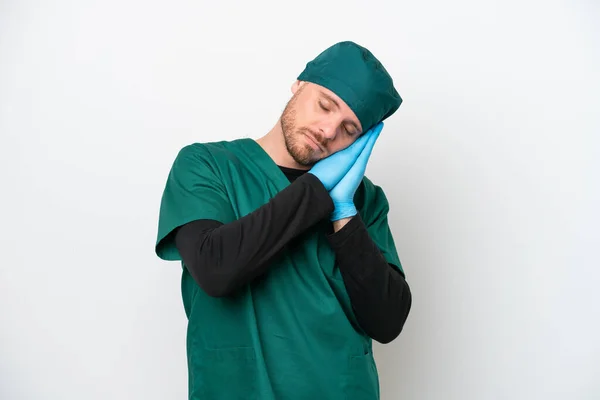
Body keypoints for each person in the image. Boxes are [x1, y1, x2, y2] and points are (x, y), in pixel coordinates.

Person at [154, 41, 412, 400]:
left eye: (349, 129)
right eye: (325, 105)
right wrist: (317, 189)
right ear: (299, 83)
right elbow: (216, 268)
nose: (327, 130)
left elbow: (386, 321)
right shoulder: (208, 165)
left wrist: (344, 214)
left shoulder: (365, 201)